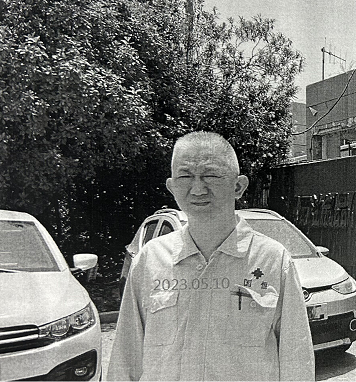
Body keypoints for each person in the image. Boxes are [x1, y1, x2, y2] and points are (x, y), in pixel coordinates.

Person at [108, 132, 315, 381]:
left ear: (238, 186)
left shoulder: (272, 261)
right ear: (172, 187)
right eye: (185, 176)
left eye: (211, 175)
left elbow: (296, 360)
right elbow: (125, 360)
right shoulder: (150, 260)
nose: (198, 188)